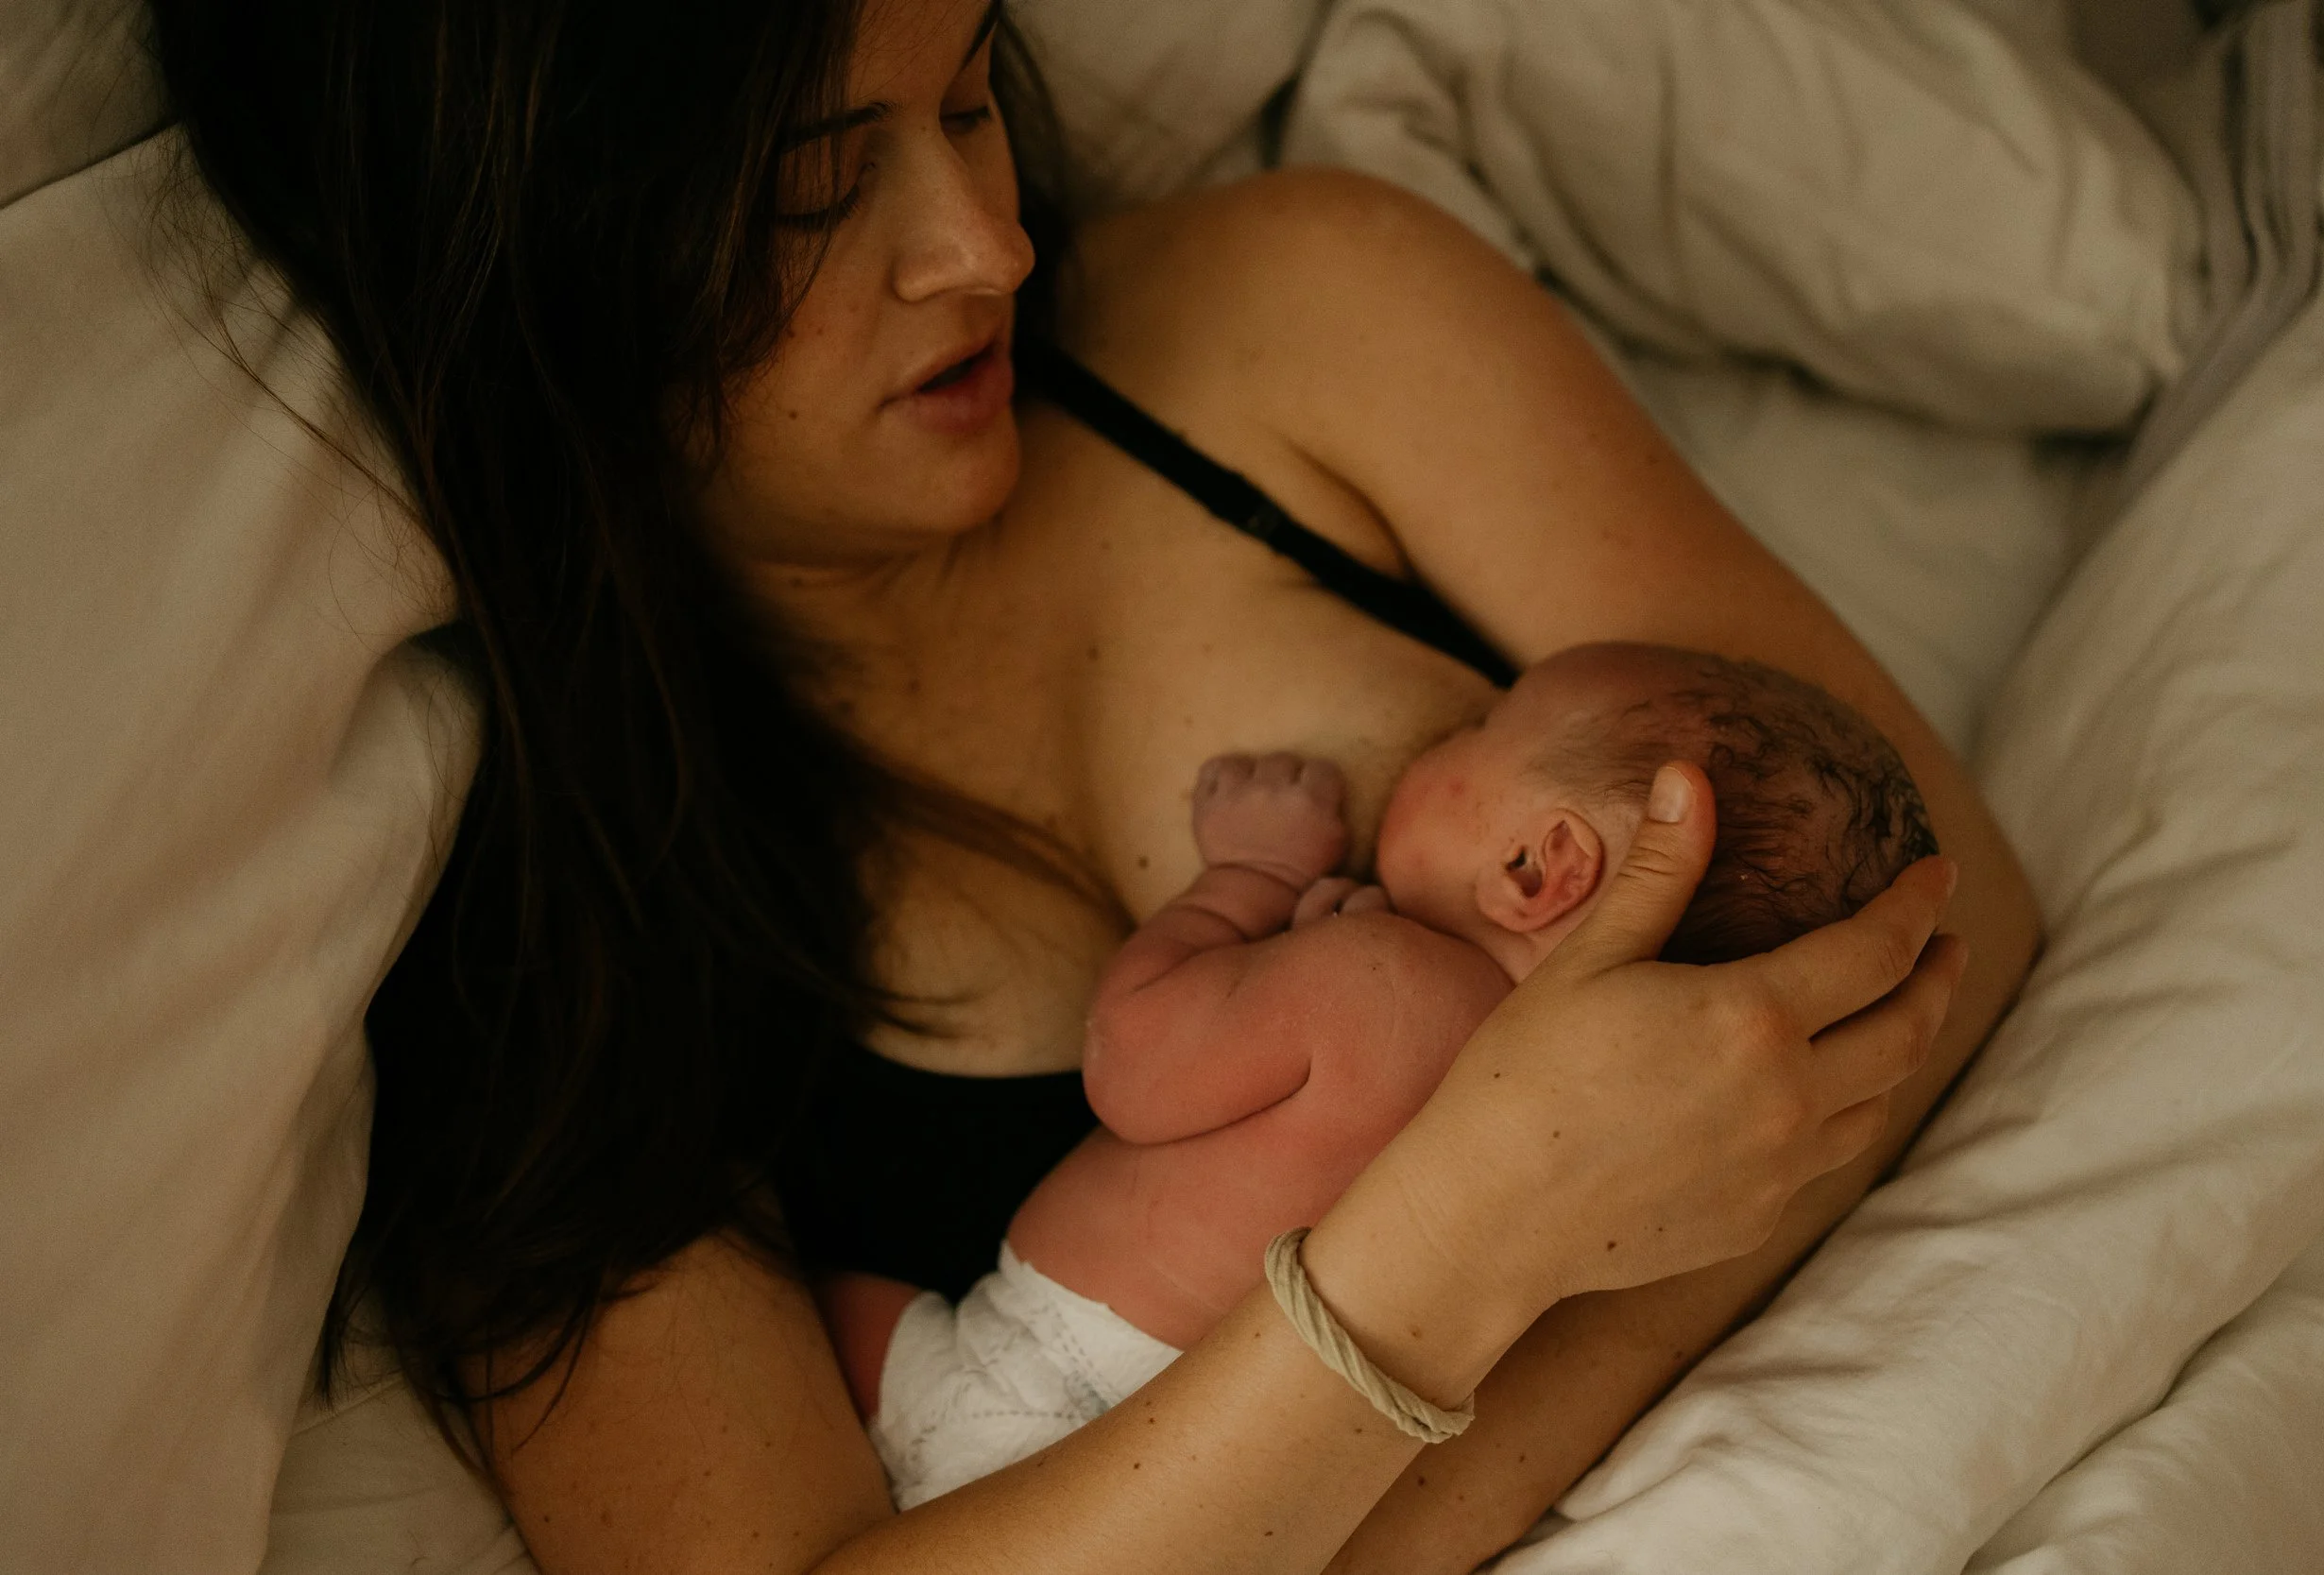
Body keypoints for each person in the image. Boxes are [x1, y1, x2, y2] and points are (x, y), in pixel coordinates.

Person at [150, 0, 2036, 1570]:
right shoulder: (540, 948)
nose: (988, 243)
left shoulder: (1287, 312)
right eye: (817, 189)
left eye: (971, 96)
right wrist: (1469, 1245)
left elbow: (1926, 902)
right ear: (543, 264)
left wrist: (1312, 1494)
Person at [835, 642, 1940, 1509]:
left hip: (1024, 1375)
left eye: (1477, 727)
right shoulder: (1598, 1138)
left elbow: (1130, 1061)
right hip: (1239, 1472)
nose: (1441, 735)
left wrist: (1247, 880)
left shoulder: (1381, 977)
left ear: (1537, 867)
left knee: (812, 1311)